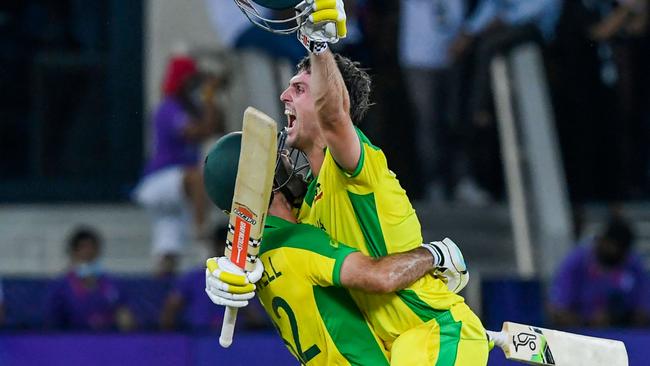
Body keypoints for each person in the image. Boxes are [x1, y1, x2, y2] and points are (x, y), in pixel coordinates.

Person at [268, 2, 488, 363]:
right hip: (398, 348)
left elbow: (334, 115)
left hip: (434, 331)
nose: (284, 96)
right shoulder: (307, 206)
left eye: (299, 88)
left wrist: (320, 48)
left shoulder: (358, 167)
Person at [202, 131, 471, 365]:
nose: (289, 162)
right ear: (265, 183)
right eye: (280, 159)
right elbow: (381, 277)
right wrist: (435, 253)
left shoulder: (254, 261)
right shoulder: (298, 242)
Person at [134, 52, 225, 276]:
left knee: (167, 251)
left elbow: (218, 128)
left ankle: (161, 281)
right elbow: (200, 131)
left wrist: (212, 96)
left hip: (175, 194)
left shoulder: (193, 106)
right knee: (197, 176)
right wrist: (209, 95)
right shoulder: (168, 108)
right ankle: (201, 232)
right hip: (158, 183)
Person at [159, 225, 268, 331]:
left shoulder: (249, 279)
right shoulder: (192, 278)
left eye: (230, 247)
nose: (225, 250)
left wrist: (239, 298)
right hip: (197, 337)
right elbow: (169, 312)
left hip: (237, 338)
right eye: (222, 245)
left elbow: (257, 320)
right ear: (215, 245)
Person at [549, 216, 650, 327]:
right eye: (613, 248)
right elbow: (557, 311)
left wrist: (615, 318)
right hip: (582, 332)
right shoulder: (576, 261)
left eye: (622, 252)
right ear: (603, 240)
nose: (618, 254)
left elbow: (643, 311)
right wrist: (586, 321)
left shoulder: (632, 264)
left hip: (623, 332)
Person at [44, 226, 135, 331]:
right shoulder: (59, 288)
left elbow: (127, 320)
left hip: (108, 341)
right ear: (73, 254)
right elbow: (52, 324)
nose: (88, 253)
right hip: (72, 341)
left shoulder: (114, 284)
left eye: (92, 250)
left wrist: (126, 322)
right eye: (82, 250)